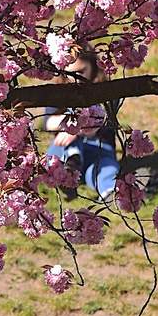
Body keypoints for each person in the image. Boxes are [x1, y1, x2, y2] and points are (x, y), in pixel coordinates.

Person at [44, 49, 120, 202]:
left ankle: (110, 191)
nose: (77, 78)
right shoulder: (59, 92)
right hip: (61, 149)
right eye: (72, 74)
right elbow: (48, 123)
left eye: (81, 71)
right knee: (67, 147)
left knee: (105, 169)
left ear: (93, 66)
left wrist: (77, 130)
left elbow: (103, 121)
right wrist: (69, 126)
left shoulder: (106, 92)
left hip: (98, 149)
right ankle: (69, 167)